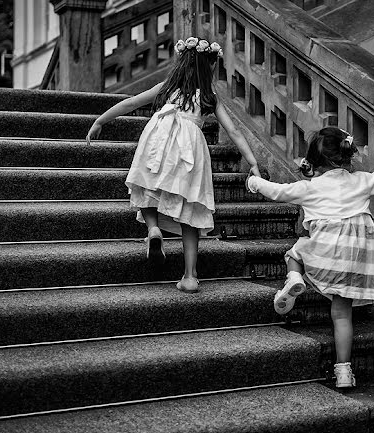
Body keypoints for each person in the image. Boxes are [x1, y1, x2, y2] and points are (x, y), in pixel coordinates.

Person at [246, 127, 374, 388]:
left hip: (323, 250)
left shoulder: (309, 187)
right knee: (342, 314)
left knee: (295, 253)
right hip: (354, 258)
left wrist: (253, 182)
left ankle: (294, 278)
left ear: (315, 161)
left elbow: (277, 191)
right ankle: (343, 371)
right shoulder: (361, 180)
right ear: (347, 156)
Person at [87, 37, 261, 293]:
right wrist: (253, 163)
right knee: (189, 208)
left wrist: (101, 121)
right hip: (190, 146)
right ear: (209, 65)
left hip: (159, 137)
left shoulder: (167, 87)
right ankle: (190, 276)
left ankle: (154, 228)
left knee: (147, 187)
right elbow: (233, 130)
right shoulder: (209, 96)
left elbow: (131, 102)